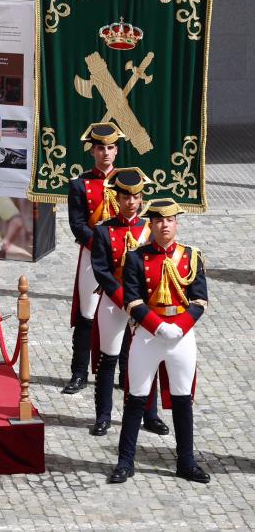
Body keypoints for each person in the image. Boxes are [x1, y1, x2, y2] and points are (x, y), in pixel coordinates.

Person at [109, 199, 210, 485]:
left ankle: (186, 462)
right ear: (150, 225)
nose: (164, 226)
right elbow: (131, 299)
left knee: (182, 400)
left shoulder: (191, 256)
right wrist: (158, 327)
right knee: (136, 399)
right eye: (158, 221)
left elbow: (200, 299)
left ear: (176, 223)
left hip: (181, 335)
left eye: (169, 220)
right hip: (148, 334)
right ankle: (125, 461)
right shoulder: (136, 258)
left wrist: (178, 327)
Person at [87, 168, 168, 437]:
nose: (130, 202)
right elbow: (102, 271)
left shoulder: (149, 229)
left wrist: (140, 303)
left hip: (142, 303)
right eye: (125, 197)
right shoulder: (103, 230)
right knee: (108, 359)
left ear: (141, 198)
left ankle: (150, 413)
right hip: (114, 301)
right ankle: (103, 415)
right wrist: (124, 301)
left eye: (135, 197)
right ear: (117, 198)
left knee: (147, 357)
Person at [62, 122, 125, 395]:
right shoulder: (80, 184)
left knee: (125, 312)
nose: (106, 153)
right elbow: (78, 225)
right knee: (87, 314)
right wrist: (101, 248)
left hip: (123, 259)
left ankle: (126, 373)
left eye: (110, 148)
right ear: (93, 151)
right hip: (92, 256)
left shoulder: (129, 180)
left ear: (117, 150)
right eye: (101, 148)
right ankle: (78, 373)